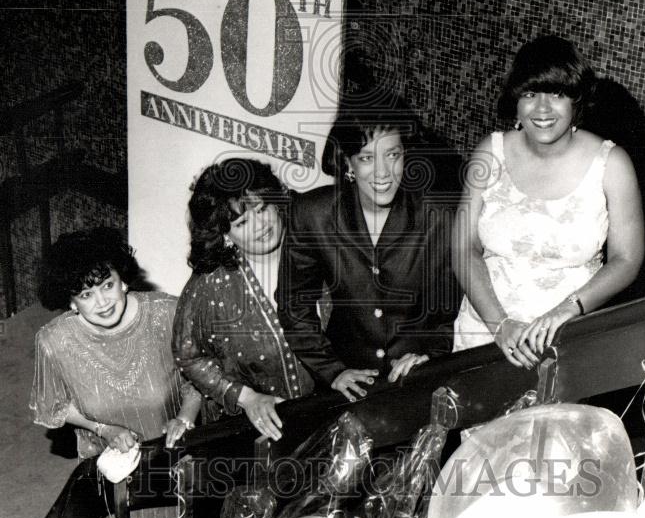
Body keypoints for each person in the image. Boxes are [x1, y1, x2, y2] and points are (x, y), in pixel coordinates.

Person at [452, 35, 644, 366]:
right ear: (516, 100)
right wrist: (500, 326)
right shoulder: (490, 153)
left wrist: (570, 307)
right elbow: (462, 246)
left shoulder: (612, 164)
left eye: (556, 94)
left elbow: (626, 259)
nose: (542, 109)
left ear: (576, 101)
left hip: (566, 340)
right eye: (530, 94)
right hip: (485, 335)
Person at [277, 99, 462, 401]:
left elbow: (448, 313)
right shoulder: (312, 213)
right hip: (343, 386)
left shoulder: (440, 217)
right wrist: (331, 370)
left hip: (413, 383)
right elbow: (293, 305)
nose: (383, 172)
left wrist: (427, 356)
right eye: (366, 158)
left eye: (392, 155)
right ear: (348, 163)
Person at [173, 158, 315, 441]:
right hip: (256, 427)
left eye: (262, 209)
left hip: (332, 403)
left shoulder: (316, 242)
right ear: (225, 235)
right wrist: (246, 398)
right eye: (242, 222)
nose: (261, 226)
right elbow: (188, 356)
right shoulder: (208, 286)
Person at [30, 227, 201, 459]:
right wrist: (103, 429)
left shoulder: (168, 314)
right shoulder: (54, 341)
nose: (102, 303)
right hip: (107, 459)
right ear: (71, 302)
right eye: (86, 295)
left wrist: (184, 419)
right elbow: (54, 406)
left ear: (122, 281)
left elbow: (201, 378)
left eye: (107, 286)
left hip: (174, 448)